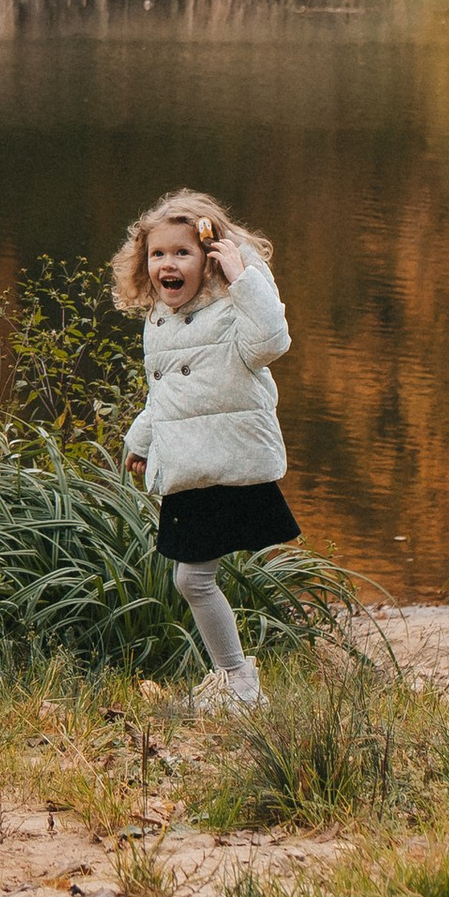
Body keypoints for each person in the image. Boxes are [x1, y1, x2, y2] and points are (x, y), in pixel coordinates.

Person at [112, 188, 299, 711]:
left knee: (193, 577)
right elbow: (167, 392)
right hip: (191, 465)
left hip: (227, 459)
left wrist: (244, 277)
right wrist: (143, 439)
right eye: (157, 254)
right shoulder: (162, 322)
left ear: (210, 257)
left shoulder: (232, 309)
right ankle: (236, 681)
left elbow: (272, 342)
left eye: (182, 253)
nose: (167, 265)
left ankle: (238, 683)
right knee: (193, 578)